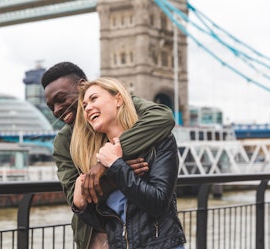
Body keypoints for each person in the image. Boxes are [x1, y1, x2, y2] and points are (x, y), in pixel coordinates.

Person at [41, 62, 175, 249]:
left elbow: (164, 118)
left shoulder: (118, 103)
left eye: (61, 99)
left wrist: (105, 164)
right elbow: (78, 200)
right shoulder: (64, 141)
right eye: (51, 106)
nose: (56, 110)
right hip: (95, 235)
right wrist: (112, 174)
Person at [71, 77, 186, 249]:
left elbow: (158, 203)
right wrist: (80, 205)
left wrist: (116, 165)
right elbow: (105, 223)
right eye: (84, 105)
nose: (87, 108)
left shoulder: (159, 142)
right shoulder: (97, 158)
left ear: (118, 99)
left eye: (94, 98)